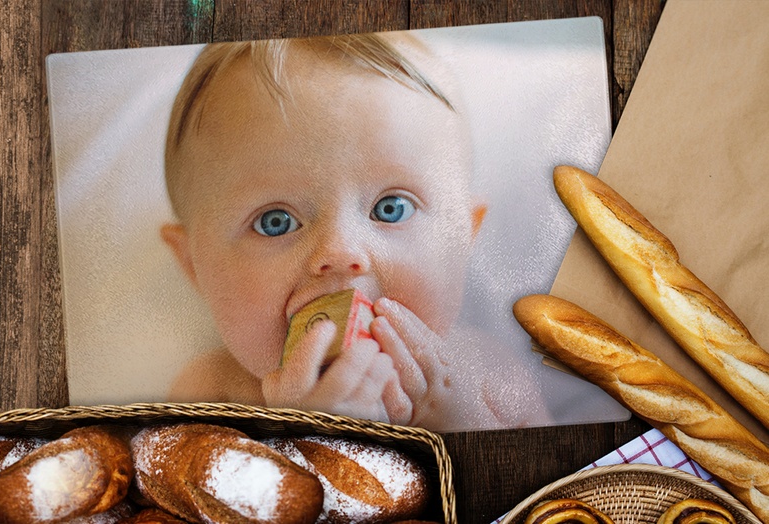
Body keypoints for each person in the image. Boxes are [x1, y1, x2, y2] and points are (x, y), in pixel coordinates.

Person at [160, 32, 550, 431]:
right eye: (275, 221)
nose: (341, 250)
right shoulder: (211, 397)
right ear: (195, 265)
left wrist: (464, 428)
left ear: (463, 238)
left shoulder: (493, 377)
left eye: (391, 208)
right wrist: (301, 441)